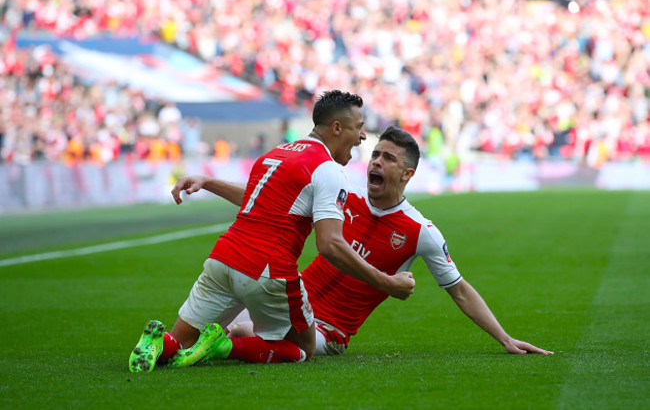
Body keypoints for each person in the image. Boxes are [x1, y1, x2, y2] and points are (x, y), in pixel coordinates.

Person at [177, 126, 553, 357]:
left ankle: (216, 346)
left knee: (242, 330)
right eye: (375, 154)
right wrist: (208, 183)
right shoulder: (345, 194)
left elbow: (459, 290)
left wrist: (504, 338)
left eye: (387, 159)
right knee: (224, 322)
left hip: (330, 333)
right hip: (294, 302)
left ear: (406, 174)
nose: (375, 162)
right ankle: (184, 348)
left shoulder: (420, 231)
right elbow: (266, 197)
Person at [128, 91, 416, 373]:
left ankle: (155, 341)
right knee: (305, 348)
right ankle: (224, 347)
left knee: (180, 342)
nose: (363, 135)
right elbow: (330, 245)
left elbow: (257, 197)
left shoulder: (276, 153)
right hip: (267, 269)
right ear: (337, 128)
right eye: (359, 127)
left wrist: (208, 182)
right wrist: (387, 283)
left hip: (223, 258)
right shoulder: (327, 170)